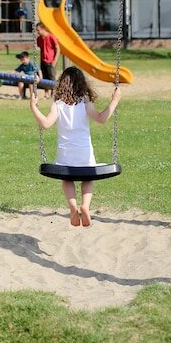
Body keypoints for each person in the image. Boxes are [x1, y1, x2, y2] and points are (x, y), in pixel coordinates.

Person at [29, 67, 122, 227]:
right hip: (84, 154)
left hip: (65, 155)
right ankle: (85, 205)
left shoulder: (57, 105)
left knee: (67, 178)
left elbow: (45, 124)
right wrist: (114, 101)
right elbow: (101, 118)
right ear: (82, 84)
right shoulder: (85, 103)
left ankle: (72, 206)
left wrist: (33, 106)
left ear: (62, 84)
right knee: (88, 177)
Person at [35, 22, 60, 98]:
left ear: (43, 29)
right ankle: (46, 93)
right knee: (44, 77)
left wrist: (55, 60)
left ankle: (53, 93)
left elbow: (58, 49)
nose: (37, 32)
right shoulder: (39, 39)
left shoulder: (51, 37)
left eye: (38, 30)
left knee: (52, 77)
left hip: (51, 61)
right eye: (37, 30)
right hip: (43, 60)